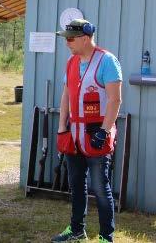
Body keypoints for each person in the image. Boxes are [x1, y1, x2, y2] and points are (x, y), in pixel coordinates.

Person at [52, 19, 122, 243]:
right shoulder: (72, 62)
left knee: (101, 188)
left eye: (70, 39)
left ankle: (105, 236)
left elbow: (115, 100)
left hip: (96, 135)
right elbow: (66, 96)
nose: (67, 43)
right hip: (74, 134)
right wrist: (63, 126)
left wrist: (105, 130)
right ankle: (76, 229)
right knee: (76, 185)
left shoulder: (107, 61)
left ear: (85, 38)